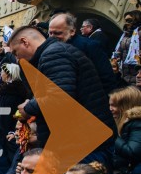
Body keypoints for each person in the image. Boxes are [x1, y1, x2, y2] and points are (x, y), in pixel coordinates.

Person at [9, 25, 116, 164]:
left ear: (25, 42)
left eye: (16, 52)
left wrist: (28, 108)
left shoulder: (53, 55)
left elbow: (60, 97)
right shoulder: (55, 52)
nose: (17, 59)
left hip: (83, 144)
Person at [49, 13, 117, 94]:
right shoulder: (49, 47)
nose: (52, 37)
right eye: (50, 33)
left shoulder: (90, 46)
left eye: (57, 33)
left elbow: (106, 77)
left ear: (72, 31)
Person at [110, 85, 141, 174]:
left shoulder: (137, 123)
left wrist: (111, 135)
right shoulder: (123, 122)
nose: (110, 109)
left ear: (126, 105)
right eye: (110, 105)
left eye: (114, 105)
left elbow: (132, 152)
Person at [114, 10, 141, 86]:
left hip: (136, 74)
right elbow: (119, 50)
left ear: (136, 20)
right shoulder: (125, 35)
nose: (126, 23)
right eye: (126, 20)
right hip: (125, 74)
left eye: (129, 20)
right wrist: (117, 57)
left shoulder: (139, 33)